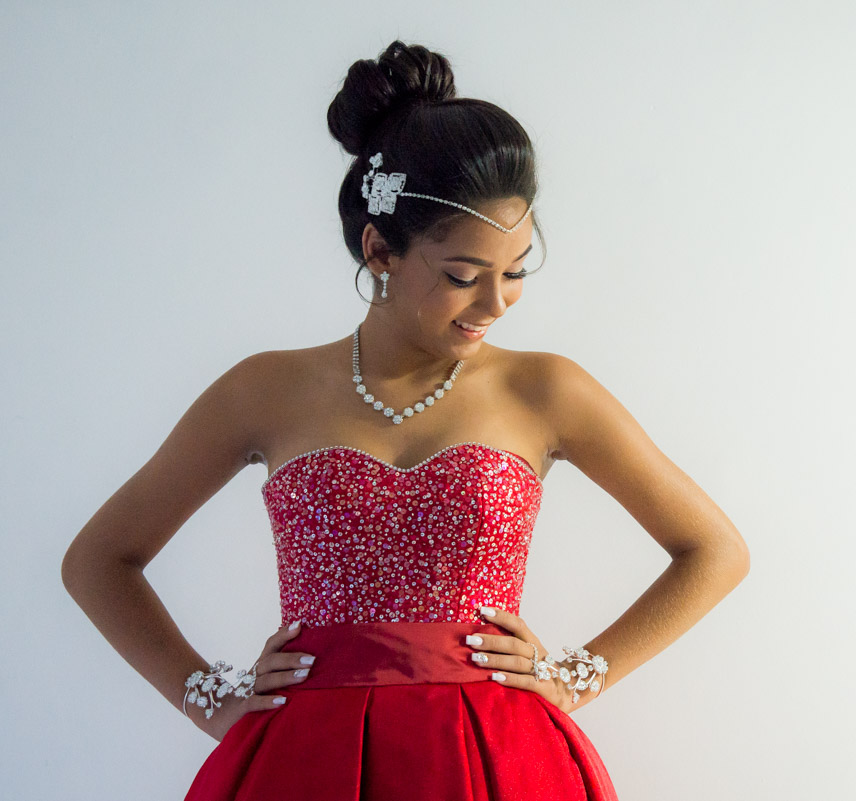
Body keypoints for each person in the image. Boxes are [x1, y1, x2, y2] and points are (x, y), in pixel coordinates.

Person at [60, 40, 750, 800]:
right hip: (303, 760)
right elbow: (99, 559)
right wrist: (206, 696)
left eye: (516, 271)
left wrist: (577, 675)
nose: (496, 303)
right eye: (463, 276)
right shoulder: (263, 390)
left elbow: (714, 550)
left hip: (498, 757)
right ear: (380, 250)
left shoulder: (546, 389)